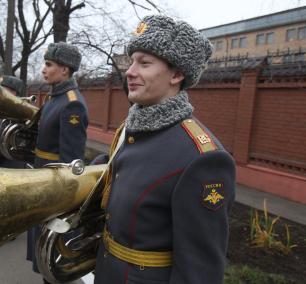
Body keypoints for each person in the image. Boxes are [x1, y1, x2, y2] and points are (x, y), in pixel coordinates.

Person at [94, 15, 236, 284]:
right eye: (132, 60)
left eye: (144, 63)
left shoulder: (203, 157)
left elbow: (200, 272)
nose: (130, 71)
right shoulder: (133, 127)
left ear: (177, 74)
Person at [26, 42, 88, 283]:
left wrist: (60, 203)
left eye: (49, 65)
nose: (44, 69)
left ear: (65, 70)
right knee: (43, 256)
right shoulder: (54, 98)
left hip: (54, 187)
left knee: (51, 258)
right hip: (43, 179)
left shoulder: (71, 103)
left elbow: (71, 161)